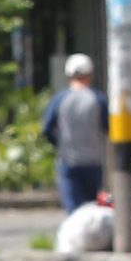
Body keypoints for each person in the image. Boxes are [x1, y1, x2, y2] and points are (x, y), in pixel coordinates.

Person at [41, 53, 107, 215]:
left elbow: (47, 128)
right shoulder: (98, 99)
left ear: (69, 75)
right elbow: (108, 126)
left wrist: (59, 144)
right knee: (91, 209)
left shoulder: (60, 99)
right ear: (90, 74)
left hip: (68, 161)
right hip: (93, 161)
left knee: (73, 209)